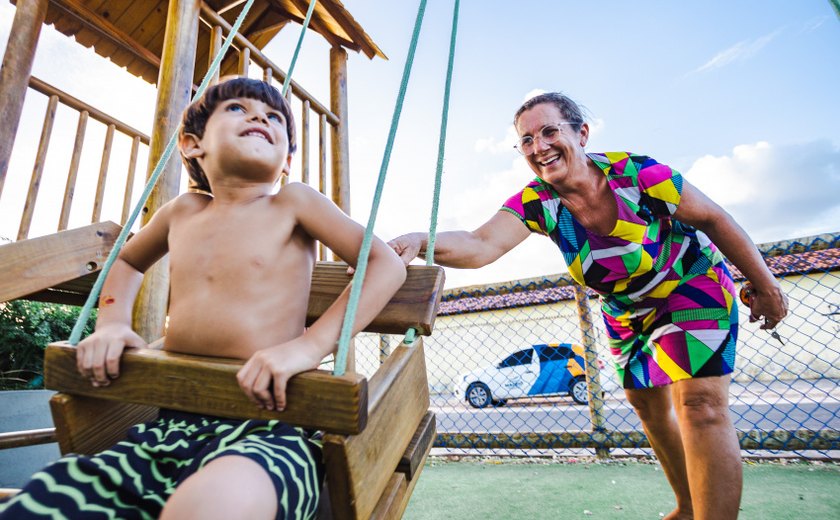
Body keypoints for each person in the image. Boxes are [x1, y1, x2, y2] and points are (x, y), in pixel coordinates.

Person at [0, 77, 406, 520]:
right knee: (50, 497)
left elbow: (385, 264)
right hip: (168, 424)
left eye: (274, 118)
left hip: (270, 429)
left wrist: (309, 347)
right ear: (193, 144)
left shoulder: (294, 204)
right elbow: (126, 263)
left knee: (214, 506)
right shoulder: (183, 211)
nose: (259, 117)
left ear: (287, 159)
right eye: (238, 108)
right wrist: (112, 324)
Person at [389, 92, 788, 520]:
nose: (538, 147)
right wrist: (419, 240)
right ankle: (689, 506)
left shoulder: (638, 173)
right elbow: (480, 243)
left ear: (581, 134)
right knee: (647, 405)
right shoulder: (538, 201)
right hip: (625, 309)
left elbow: (714, 218)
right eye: (526, 140)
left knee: (700, 406)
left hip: (689, 284)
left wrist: (765, 286)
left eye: (549, 132)